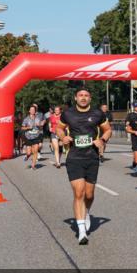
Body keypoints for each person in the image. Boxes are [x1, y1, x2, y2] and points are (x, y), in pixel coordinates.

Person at [56, 88, 112, 245]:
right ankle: (81, 231)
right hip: (74, 157)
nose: (83, 98)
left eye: (86, 95)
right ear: (75, 98)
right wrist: (63, 137)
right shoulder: (68, 113)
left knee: (89, 194)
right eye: (80, 95)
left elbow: (107, 130)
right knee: (78, 192)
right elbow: (59, 128)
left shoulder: (97, 114)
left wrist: (102, 140)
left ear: (90, 98)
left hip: (92, 157)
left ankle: (86, 212)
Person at [21, 104, 45, 170]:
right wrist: (28, 127)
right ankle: (27, 156)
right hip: (28, 137)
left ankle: (33, 166)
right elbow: (22, 128)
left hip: (36, 137)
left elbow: (41, 128)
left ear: (35, 111)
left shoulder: (37, 119)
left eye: (33, 110)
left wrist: (39, 125)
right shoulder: (26, 119)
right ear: (29, 111)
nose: (32, 111)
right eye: (31, 110)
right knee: (29, 152)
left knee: (35, 151)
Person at [124, 102, 137, 172]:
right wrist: (134, 132)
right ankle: (136, 163)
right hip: (135, 136)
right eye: (136, 106)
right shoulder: (130, 115)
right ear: (133, 107)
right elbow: (127, 129)